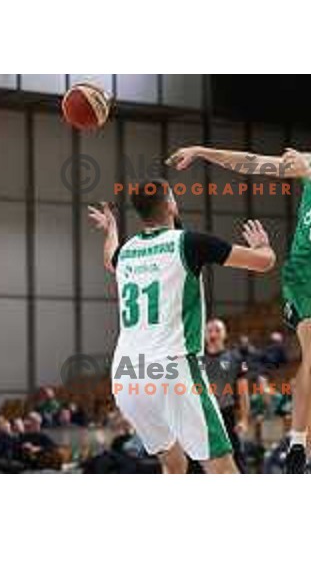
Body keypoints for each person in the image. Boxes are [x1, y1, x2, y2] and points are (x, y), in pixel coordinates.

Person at [167, 104, 311, 473]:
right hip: (304, 271)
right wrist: (203, 151)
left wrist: (309, 175)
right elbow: (253, 163)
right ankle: (297, 443)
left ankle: (302, 465)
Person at [88, 180, 275, 474]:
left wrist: (111, 228)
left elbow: (109, 259)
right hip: (173, 370)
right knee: (223, 469)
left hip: (127, 376)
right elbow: (264, 263)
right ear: (171, 205)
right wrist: (263, 245)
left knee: (173, 464)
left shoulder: (126, 252)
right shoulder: (187, 243)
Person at [203, 318, 250, 472]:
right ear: (204, 335)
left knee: (236, 460)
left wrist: (243, 419)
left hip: (227, 416)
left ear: (224, 334)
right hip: (203, 417)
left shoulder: (236, 358)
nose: (213, 334)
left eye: (217, 330)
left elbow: (243, 392)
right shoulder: (196, 360)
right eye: (209, 330)